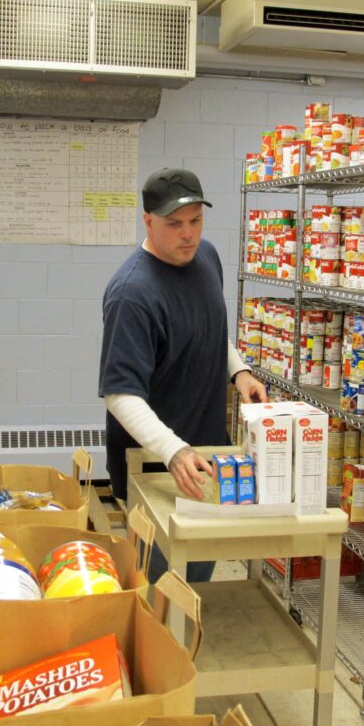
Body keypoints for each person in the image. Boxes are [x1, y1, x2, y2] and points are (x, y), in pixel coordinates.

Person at [98, 167, 268, 583]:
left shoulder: (205, 258)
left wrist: (239, 372)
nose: (188, 234)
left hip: (205, 456)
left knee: (196, 584)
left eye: (195, 221)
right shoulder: (132, 294)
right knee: (160, 592)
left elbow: (205, 333)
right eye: (174, 224)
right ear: (148, 221)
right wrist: (172, 451)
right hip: (155, 466)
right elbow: (120, 395)